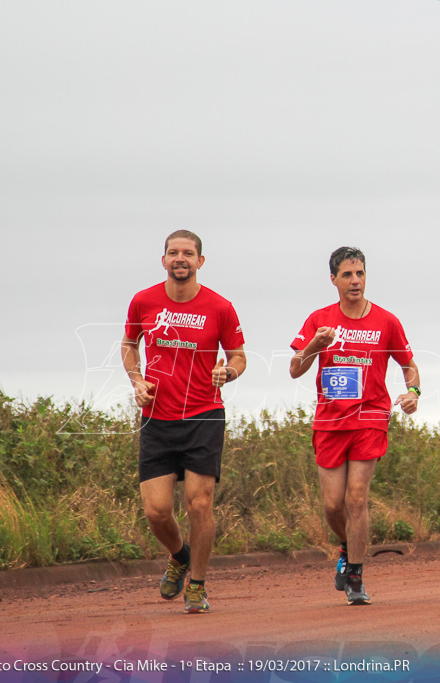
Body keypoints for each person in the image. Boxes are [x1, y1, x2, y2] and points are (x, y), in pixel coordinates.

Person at [122, 230, 246, 614]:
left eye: (188, 253)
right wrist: (137, 380)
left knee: (199, 503)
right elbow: (129, 344)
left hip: (203, 415)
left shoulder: (220, 307)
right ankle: (179, 556)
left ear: (200, 262)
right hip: (157, 417)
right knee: (157, 511)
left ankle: (198, 583)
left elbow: (239, 355)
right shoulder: (143, 301)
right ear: (163, 261)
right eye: (174, 252)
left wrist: (228, 372)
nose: (181, 258)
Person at [290, 246, 420, 606]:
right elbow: (295, 368)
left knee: (357, 497)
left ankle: (357, 576)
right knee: (333, 506)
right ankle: (347, 548)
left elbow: (409, 366)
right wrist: (316, 344)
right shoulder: (319, 319)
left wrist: (413, 392)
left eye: (360, 273)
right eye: (347, 275)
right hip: (330, 421)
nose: (355, 281)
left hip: (370, 417)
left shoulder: (386, 321)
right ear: (333, 280)